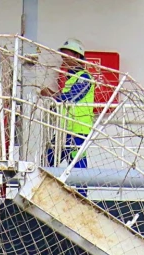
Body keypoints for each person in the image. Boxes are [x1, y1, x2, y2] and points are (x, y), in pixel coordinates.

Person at [41, 38, 95, 171]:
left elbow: (71, 97)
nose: (63, 58)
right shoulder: (71, 79)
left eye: (67, 54)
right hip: (65, 130)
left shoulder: (84, 77)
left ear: (77, 56)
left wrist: (51, 95)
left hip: (78, 132)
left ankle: (81, 193)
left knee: (77, 167)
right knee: (48, 161)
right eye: (63, 54)